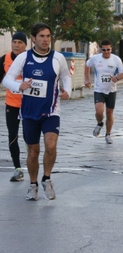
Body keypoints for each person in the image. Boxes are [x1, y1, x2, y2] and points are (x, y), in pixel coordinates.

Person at [2, 22, 72, 201]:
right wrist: (19, 86)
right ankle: (33, 184)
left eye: (48, 36)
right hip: (28, 112)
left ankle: (46, 178)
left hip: (51, 111)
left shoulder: (58, 58)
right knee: (33, 151)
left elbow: (65, 76)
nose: (45, 40)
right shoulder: (23, 58)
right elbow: (7, 80)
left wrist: (68, 91)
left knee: (51, 145)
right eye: (41, 36)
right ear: (33, 38)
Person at [84, 40, 123, 144]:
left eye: (108, 50)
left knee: (109, 113)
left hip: (111, 90)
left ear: (111, 49)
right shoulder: (96, 58)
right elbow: (87, 65)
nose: (106, 52)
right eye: (104, 50)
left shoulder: (116, 59)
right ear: (100, 49)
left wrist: (116, 78)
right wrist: (87, 79)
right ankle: (99, 123)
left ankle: (108, 134)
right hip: (99, 89)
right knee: (99, 111)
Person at [0, 32, 27, 182]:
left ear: (25, 45)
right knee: (12, 136)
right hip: (12, 104)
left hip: (29, 104)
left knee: (29, 137)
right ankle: (17, 168)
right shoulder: (5, 59)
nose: (16, 45)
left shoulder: (31, 59)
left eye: (20, 42)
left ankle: (32, 163)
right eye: (14, 42)